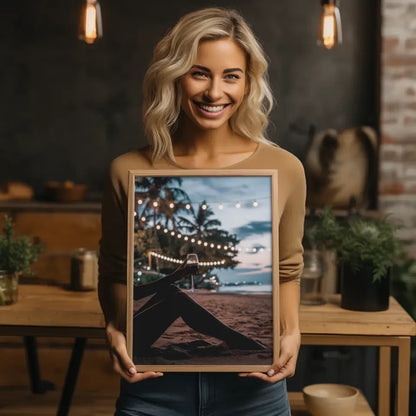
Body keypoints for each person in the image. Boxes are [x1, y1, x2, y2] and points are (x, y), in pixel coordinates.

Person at [98, 7, 306, 416]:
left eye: (231, 76)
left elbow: (286, 270)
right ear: (174, 76)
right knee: (175, 295)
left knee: (176, 294)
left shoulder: (285, 169)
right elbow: (114, 272)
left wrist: (292, 332)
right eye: (199, 73)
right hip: (152, 391)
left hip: (254, 393)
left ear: (248, 84)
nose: (215, 93)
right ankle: (239, 341)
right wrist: (112, 327)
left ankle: (244, 345)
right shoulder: (128, 170)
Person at [132, 256, 265, 356]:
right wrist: (176, 275)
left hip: (129, 327)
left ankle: (233, 337)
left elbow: (135, 293)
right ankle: (234, 338)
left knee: (171, 290)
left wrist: (177, 275)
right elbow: (136, 293)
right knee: (177, 299)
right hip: (126, 338)